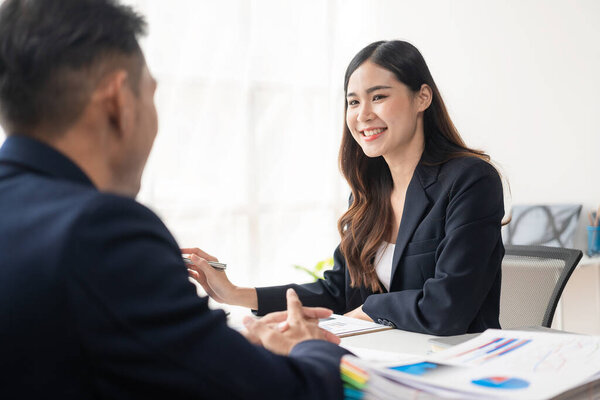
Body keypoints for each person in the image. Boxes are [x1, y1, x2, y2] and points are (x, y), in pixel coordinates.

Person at [0, 0, 350, 398]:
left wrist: (219, 351)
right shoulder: (101, 232)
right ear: (118, 101)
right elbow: (291, 392)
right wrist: (312, 347)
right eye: (152, 94)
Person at [187, 40, 505, 336]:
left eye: (378, 97)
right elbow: (339, 290)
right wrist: (235, 293)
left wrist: (368, 310)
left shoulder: (471, 181)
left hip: (458, 367)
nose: (363, 114)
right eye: (353, 102)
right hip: (381, 358)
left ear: (422, 97)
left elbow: (448, 307)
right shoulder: (368, 192)